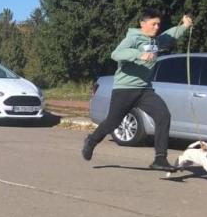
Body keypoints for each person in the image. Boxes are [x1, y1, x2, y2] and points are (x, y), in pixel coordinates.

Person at [82, 11, 193, 170]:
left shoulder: (156, 41)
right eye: (153, 24)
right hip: (125, 89)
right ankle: (92, 140)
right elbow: (116, 53)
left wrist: (184, 26)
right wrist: (139, 54)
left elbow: (169, 35)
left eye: (158, 24)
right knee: (113, 122)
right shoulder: (133, 38)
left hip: (144, 89)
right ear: (142, 24)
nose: (156, 27)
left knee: (163, 115)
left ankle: (160, 159)